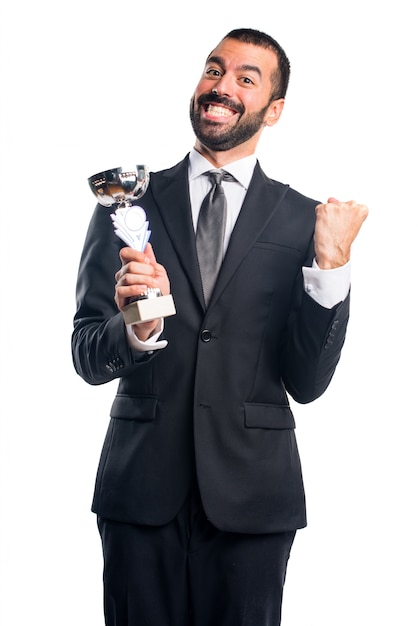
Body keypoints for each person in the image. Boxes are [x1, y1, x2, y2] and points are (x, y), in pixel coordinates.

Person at [72, 28, 368, 626]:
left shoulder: (299, 219)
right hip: (140, 492)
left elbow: (307, 381)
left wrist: (332, 271)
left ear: (273, 110)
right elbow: (85, 352)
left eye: (245, 78)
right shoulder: (128, 202)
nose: (221, 87)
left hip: (253, 501)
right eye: (214, 69)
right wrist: (136, 326)